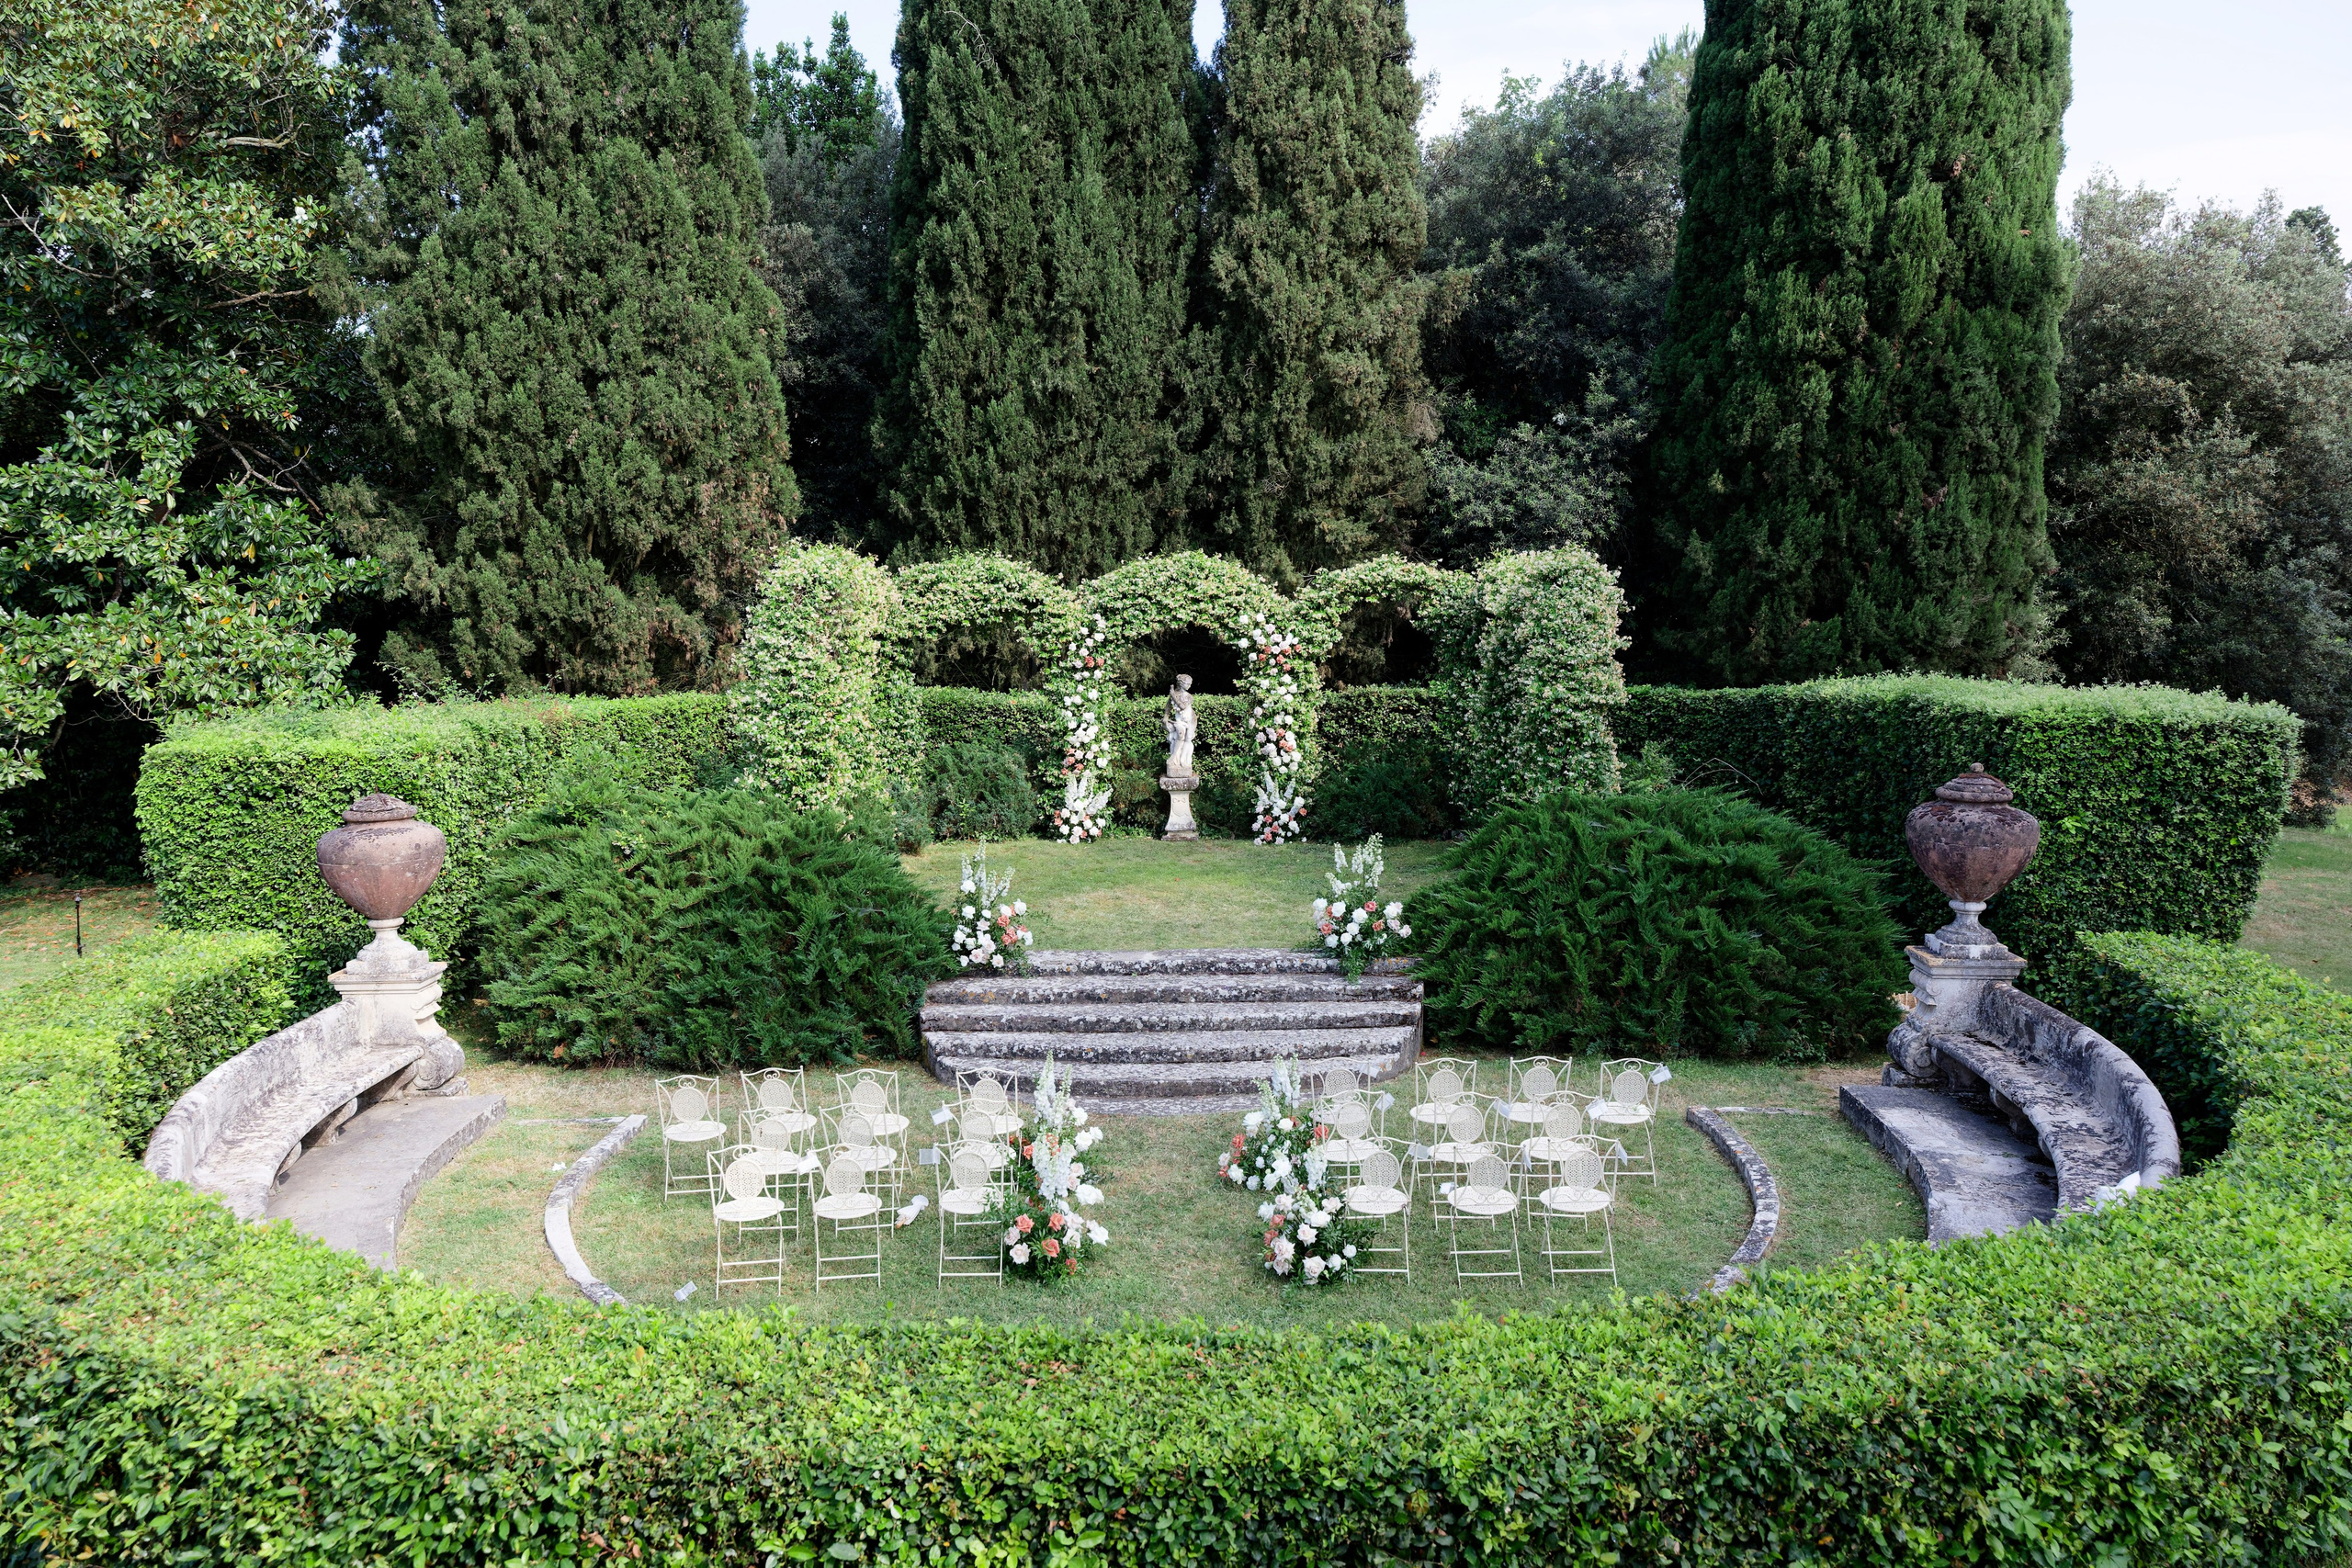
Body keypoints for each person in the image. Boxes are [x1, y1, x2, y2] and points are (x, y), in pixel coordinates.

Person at [1164, 674, 1197, 776]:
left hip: (1191, 720)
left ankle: (1184, 761)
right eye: (1188, 684)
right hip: (1180, 721)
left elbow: (1182, 706)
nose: (1189, 686)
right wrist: (1165, 717)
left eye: (1190, 684)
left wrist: (1173, 695)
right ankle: (1174, 758)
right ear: (1181, 684)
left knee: (1188, 739)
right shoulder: (1175, 694)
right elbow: (1168, 706)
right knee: (1180, 733)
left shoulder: (1189, 696)